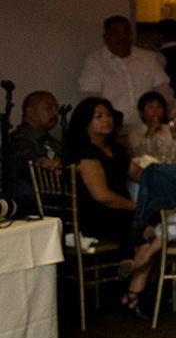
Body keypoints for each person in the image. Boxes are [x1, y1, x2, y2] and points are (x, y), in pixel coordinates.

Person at [65, 98, 160, 317]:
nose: (106, 120)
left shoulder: (114, 149)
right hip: (98, 216)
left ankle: (133, 282)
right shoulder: (86, 153)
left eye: (108, 115)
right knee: (152, 226)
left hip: (120, 212)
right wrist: (136, 207)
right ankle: (134, 292)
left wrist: (165, 179)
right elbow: (102, 196)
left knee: (156, 224)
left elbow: (137, 174)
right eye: (98, 116)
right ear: (85, 122)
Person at [78, 15, 176, 131]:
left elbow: (166, 95)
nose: (122, 36)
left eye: (126, 31)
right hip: (114, 134)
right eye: (115, 32)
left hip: (150, 131)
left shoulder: (148, 59)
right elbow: (90, 102)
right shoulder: (95, 62)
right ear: (105, 37)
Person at [6, 90, 63, 205]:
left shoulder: (53, 142)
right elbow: (23, 158)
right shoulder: (19, 139)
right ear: (30, 112)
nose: (55, 114)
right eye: (49, 109)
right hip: (31, 204)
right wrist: (43, 162)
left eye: (56, 109)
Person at [127, 90, 176, 162]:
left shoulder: (168, 128)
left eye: (159, 107)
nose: (155, 111)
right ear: (141, 112)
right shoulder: (134, 133)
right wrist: (150, 134)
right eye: (150, 107)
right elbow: (141, 156)